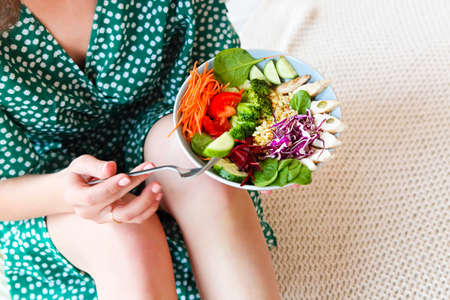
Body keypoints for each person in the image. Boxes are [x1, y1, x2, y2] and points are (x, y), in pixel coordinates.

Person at [0, 0, 281, 299]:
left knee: (201, 169)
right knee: (124, 237)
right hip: (44, 192)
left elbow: (218, 75)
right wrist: (66, 194)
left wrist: (250, 143)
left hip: (157, 128)